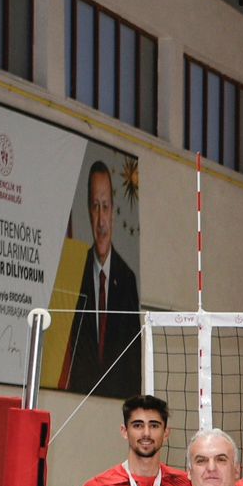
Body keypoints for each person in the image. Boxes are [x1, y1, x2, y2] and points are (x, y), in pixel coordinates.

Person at [63, 159, 142, 397]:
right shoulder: (76, 273)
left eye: (105, 207)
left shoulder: (127, 279)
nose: (101, 221)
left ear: (113, 212)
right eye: (95, 206)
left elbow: (133, 359)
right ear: (88, 211)